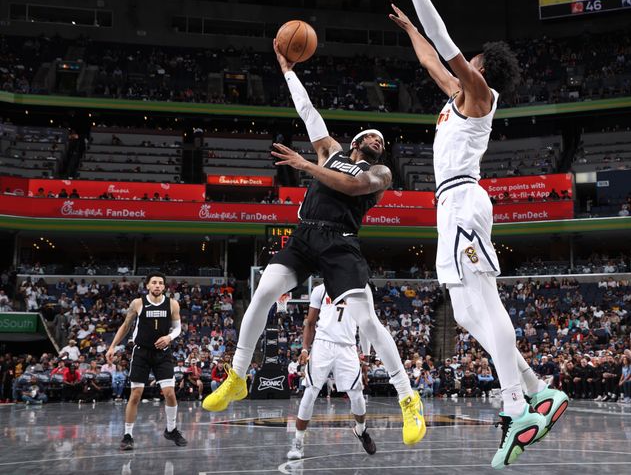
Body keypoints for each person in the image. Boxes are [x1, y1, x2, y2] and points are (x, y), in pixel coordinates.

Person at [386, 0, 566, 467]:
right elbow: (432, 56)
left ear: (485, 70)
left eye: (474, 60)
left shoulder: (481, 93)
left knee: (485, 303)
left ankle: (516, 409)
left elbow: (445, 46)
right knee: (465, 313)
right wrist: (411, 31)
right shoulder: (457, 100)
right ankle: (538, 390)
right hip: (448, 207)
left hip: (464, 200)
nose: (468, 61)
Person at [202, 39, 425, 447]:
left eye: (382, 141)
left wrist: (305, 165)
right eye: (371, 137)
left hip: (341, 243)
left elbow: (353, 185)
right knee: (263, 292)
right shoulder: (330, 150)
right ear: (355, 141)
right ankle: (236, 376)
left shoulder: (379, 174)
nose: (378, 142)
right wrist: (288, 70)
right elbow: (307, 110)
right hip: (305, 233)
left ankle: (408, 398)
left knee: (369, 322)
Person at [287, 284, 376, 460]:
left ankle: (360, 430)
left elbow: (366, 324)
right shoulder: (320, 289)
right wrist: (305, 349)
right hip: (322, 344)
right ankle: (297, 442)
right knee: (310, 392)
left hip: (348, 346)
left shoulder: (359, 288)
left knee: (357, 395)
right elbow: (310, 323)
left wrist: (365, 356)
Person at [105, 272, 187, 450]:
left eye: (160, 283)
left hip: (162, 354)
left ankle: (171, 430)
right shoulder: (138, 303)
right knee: (135, 395)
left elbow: (178, 328)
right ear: (148, 286)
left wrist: (169, 337)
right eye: (154, 283)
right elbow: (126, 326)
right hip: (141, 353)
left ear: (164, 287)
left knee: (170, 393)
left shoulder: (172, 304)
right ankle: (128, 435)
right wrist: (112, 346)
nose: (157, 285)